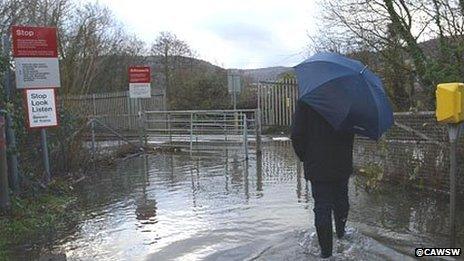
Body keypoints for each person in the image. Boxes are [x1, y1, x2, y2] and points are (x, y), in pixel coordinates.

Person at [290, 100, 354, 258]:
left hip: (317, 164)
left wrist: (306, 156)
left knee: (322, 207)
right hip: (341, 161)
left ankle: (326, 254)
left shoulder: (306, 101)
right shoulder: (347, 100)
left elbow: (296, 135)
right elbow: (351, 131)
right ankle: (341, 234)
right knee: (341, 200)